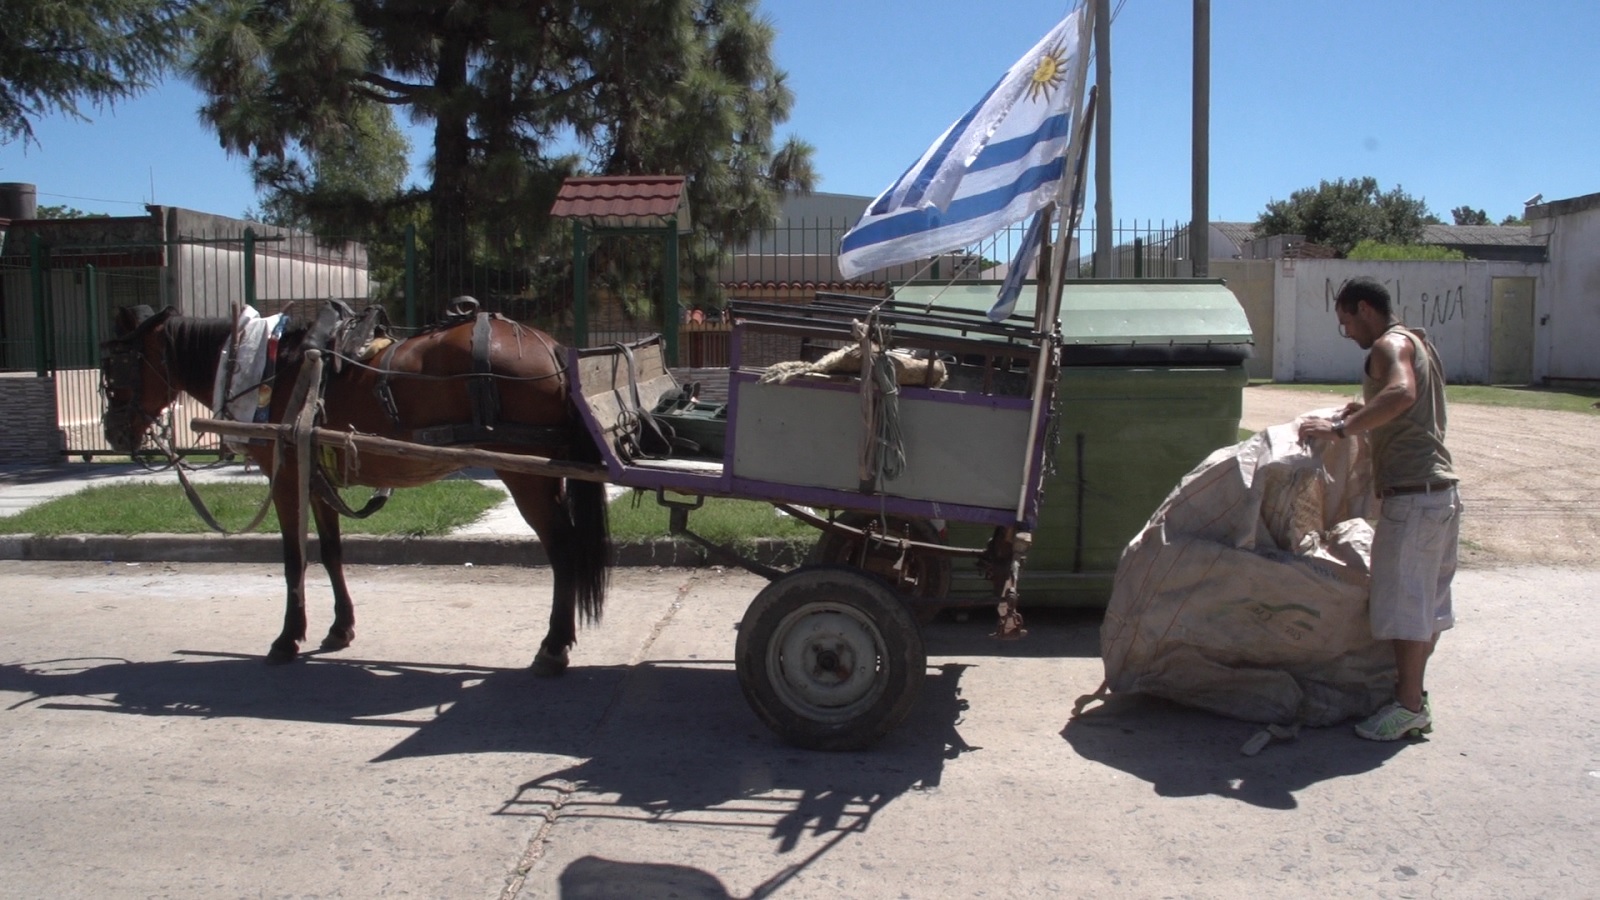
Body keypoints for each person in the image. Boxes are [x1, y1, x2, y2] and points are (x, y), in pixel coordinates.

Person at [1298, 277, 1462, 742]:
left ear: (1365, 309)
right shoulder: (1416, 341)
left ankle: (1407, 706)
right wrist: (1366, 410)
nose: (1347, 332)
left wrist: (1341, 430)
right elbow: (1403, 405)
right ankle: (1413, 697)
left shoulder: (1389, 345)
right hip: (1439, 495)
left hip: (1413, 500)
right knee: (1426, 609)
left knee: (1404, 609)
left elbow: (1401, 393)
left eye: (1346, 321)